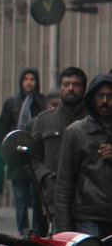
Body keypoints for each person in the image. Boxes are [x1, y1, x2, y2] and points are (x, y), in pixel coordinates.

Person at [54, 73, 112, 240]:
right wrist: (64, 229)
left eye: (109, 95)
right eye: (100, 95)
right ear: (92, 98)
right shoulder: (76, 132)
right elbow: (64, 184)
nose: (105, 101)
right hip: (89, 219)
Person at [29, 67, 87, 232]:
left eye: (76, 84)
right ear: (59, 87)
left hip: (90, 202)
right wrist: (45, 176)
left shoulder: (93, 121)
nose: (70, 89)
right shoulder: (44, 121)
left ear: (84, 88)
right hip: (54, 199)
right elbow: (30, 157)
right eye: (66, 84)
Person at [0, 67, 48, 234]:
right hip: (16, 160)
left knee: (37, 198)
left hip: (36, 158)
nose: (29, 82)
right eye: (26, 79)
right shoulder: (12, 103)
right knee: (20, 199)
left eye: (32, 79)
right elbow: (2, 128)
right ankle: (23, 232)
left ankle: (36, 232)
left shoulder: (42, 102)